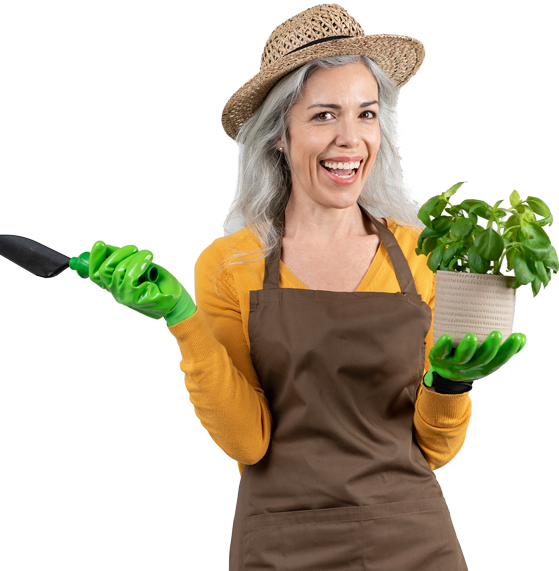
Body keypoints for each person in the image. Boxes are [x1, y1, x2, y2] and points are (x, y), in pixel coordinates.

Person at [87, 4, 526, 569]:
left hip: (412, 539)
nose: (350, 139)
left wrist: (451, 384)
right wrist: (182, 319)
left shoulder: (422, 254)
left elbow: (434, 450)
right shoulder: (230, 265)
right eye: (323, 116)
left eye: (366, 114)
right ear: (279, 134)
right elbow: (249, 443)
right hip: (281, 543)